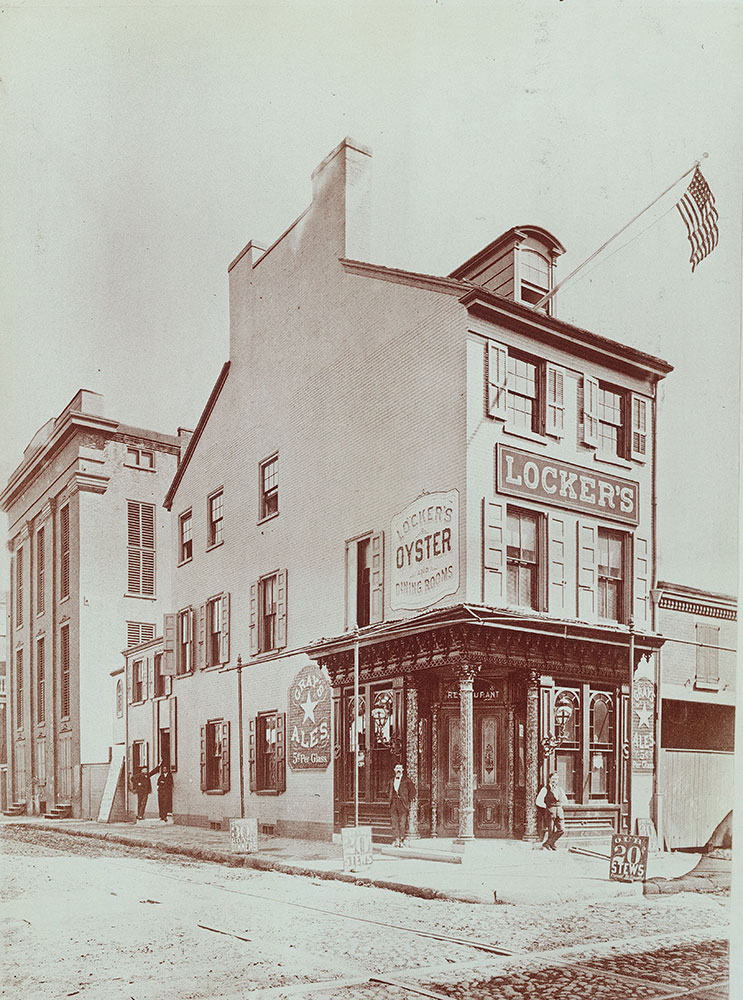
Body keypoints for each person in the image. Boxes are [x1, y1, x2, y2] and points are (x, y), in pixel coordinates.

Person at [536, 772, 568, 850]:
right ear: (549, 779)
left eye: (556, 779)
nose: (554, 780)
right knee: (551, 829)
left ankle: (548, 843)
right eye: (553, 779)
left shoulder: (560, 789)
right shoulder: (545, 789)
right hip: (550, 811)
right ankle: (551, 845)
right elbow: (538, 801)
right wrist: (547, 807)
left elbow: (565, 800)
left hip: (559, 811)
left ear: (558, 780)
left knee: (561, 829)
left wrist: (560, 806)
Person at [388, 762, 416, 848]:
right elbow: (388, 791)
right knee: (394, 822)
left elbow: (413, 792)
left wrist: (407, 800)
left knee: (402, 823)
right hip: (393, 804)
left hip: (403, 804)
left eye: (400, 768)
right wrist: (391, 799)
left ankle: (401, 840)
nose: (398, 770)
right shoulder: (391, 780)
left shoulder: (407, 780)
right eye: (397, 768)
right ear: (394, 770)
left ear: (403, 770)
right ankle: (396, 840)